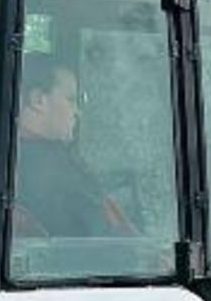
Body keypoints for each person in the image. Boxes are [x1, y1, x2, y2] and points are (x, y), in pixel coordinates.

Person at [15, 55, 132, 237]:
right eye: (71, 99)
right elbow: (111, 244)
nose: (77, 112)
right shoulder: (52, 172)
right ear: (38, 100)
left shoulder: (16, 159)